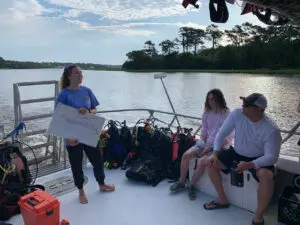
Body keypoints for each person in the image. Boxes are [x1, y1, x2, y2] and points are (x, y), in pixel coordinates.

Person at [204, 93, 282, 225]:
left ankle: (258, 217)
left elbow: (272, 157)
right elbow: (222, 133)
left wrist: (251, 164)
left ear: (260, 110)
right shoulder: (237, 113)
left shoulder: (272, 129)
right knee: (210, 162)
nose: (242, 106)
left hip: (258, 157)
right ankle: (222, 199)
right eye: (243, 103)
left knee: (266, 176)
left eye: (247, 105)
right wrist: (215, 153)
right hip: (236, 153)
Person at [56, 64, 115, 204]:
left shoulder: (87, 91)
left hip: (88, 132)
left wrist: (88, 112)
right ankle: (81, 190)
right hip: (72, 136)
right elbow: (58, 117)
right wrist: (67, 138)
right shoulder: (64, 94)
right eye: (77, 73)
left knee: (97, 160)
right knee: (76, 165)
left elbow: (94, 109)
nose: (81, 75)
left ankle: (102, 184)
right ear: (69, 76)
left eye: (81, 73)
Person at [169, 89, 234, 200]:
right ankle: (181, 182)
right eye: (209, 99)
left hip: (220, 148)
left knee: (201, 162)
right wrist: (202, 144)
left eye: (214, 99)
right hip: (206, 144)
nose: (211, 101)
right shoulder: (207, 114)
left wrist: (211, 148)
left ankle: (192, 185)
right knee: (186, 155)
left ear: (220, 99)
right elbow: (203, 132)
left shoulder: (228, 115)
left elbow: (228, 138)